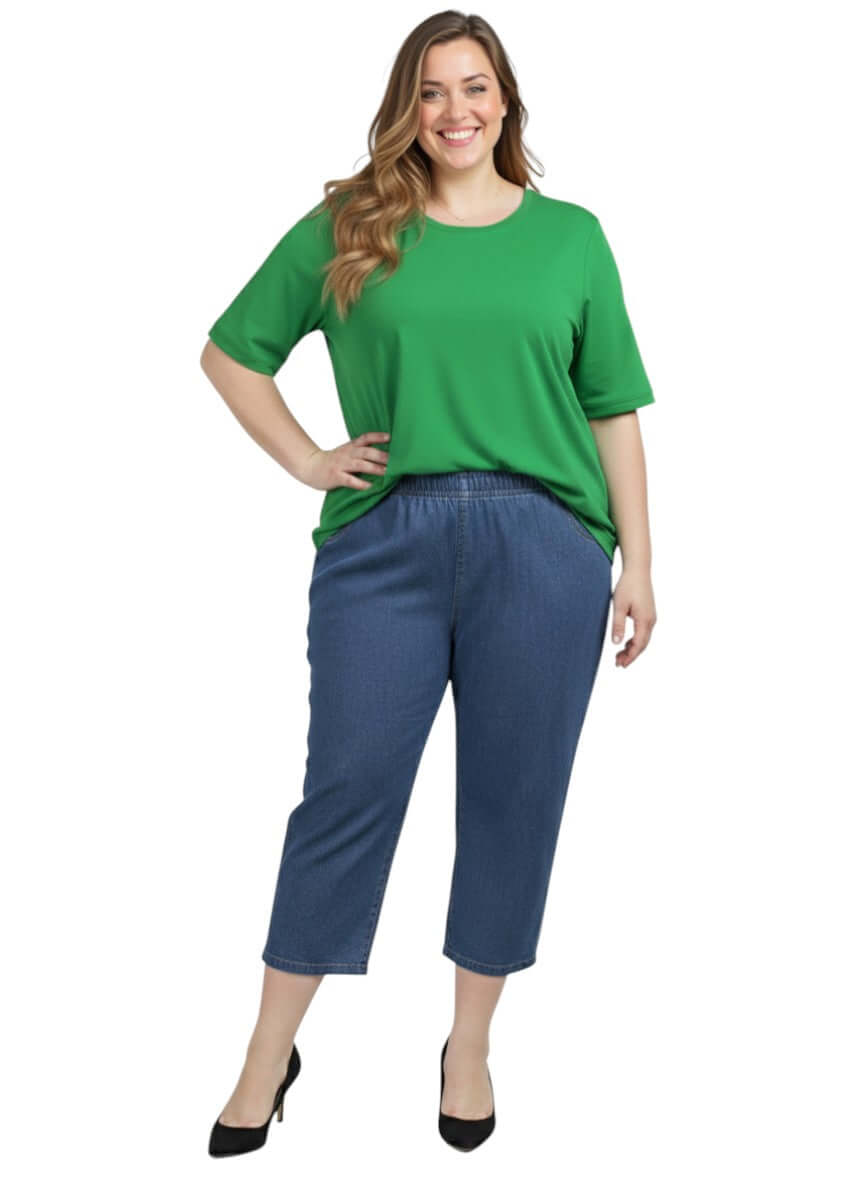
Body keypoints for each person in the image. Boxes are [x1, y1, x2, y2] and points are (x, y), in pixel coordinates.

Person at [201, 11, 657, 1157]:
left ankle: (469, 1045)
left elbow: (612, 407)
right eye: (434, 91)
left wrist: (640, 561)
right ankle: (266, 1053)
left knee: (513, 799)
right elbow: (231, 352)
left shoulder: (571, 239)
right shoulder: (353, 227)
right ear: (408, 107)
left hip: (545, 546)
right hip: (383, 545)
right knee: (346, 791)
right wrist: (310, 457)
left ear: (506, 102)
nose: (457, 111)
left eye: (476, 87)